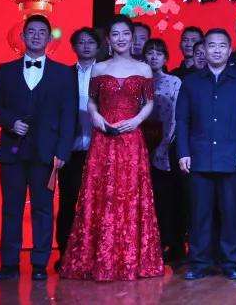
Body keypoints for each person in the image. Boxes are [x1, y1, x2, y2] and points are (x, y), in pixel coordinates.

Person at [60, 15, 163, 281]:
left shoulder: (143, 69)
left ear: (132, 37)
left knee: (130, 195)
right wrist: (95, 116)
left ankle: (131, 259)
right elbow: (92, 101)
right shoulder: (98, 68)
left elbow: (149, 102)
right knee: (101, 195)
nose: (120, 39)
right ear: (108, 39)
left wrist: (137, 120)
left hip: (131, 139)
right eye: (115, 34)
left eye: (125, 34)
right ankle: (99, 259)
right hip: (104, 138)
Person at [0, 15, 76, 282]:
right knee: (11, 209)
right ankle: (9, 264)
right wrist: (10, 122)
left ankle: (39, 264)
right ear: (22, 36)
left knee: (43, 209)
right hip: (12, 152)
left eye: (41, 32)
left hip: (46, 153)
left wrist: (63, 151)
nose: (36, 36)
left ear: (49, 39)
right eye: (31, 32)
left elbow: (68, 115)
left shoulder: (63, 73)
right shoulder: (6, 70)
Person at [175, 29, 236, 281]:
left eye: (222, 46)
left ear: (229, 49)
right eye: (212, 46)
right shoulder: (191, 82)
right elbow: (182, 120)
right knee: (200, 214)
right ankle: (200, 262)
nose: (217, 50)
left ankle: (231, 262)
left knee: (231, 214)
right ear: (204, 49)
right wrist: (183, 152)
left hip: (232, 158)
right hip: (199, 157)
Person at [56, 28, 98, 270]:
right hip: (70, 150)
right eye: (81, 42)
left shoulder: (105, 73)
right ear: (73, 47)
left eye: (90, 42)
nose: (86, 46)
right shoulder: (63, 74)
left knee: (96, 204)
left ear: (98, 46)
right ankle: (66, 255)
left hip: (98, 149)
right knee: (68, 202)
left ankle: (95, 255)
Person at [142, 39, 186, 267]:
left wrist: (164, 144)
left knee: (169, 200)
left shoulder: (174, 82)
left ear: (166, 58)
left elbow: (178, 116)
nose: (154, 57)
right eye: (150, 53)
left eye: (159, 53)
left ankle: (174, 247)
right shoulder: (137, 81)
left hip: (168, 148)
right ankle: (149, 247)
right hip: (140, 148)